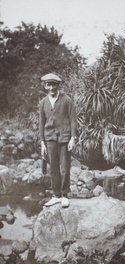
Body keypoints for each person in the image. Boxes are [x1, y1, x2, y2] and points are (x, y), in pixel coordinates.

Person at [39, 73, 77, 208]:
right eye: (48, 85)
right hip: (50, 138)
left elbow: (73, 119)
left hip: (65, 138)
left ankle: (65, 194)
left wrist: (73, 138)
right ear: (45, 86)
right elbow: (41, 123)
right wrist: (42, 142)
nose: (51, 88)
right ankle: (56, 195)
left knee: (65, 167)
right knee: (53, 168)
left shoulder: (67, 100)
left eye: (53, 84)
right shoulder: (43, 103)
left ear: (58, 85)